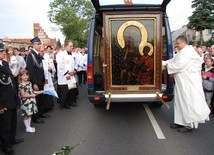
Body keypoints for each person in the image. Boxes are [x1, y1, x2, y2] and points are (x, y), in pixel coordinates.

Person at [163, 35, 210, 133]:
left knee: (187, 102)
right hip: (181, 83)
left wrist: (167, 66)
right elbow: (173, 61)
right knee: (179, 102)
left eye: (177, 43)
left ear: (183, 43)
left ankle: (188, 125)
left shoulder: (189, 52)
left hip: (188, 83)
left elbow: (180, 65)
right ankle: (180, 121)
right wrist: (163, 63)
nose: (176, 46)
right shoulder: (182, 52)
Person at [0, 43, 24, 155]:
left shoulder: (4, 63)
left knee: (13, 121)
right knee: (5, 124)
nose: (3, 53)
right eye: (1, 51)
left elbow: (12, 82)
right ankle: (5, 145)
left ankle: (12, 139)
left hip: (12, 97)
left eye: (3, 51)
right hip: (4, 101)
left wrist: (16, 97)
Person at [26, 36, 46, 123]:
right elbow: (31, 71)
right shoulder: (31, 55)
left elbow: (40, 68)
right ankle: (35, 117)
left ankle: (40, 113)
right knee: (36, 100)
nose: (39, 45)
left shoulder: (37, 54)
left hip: (40, 80)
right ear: (33, 44)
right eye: (38, 44)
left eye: (40, 44)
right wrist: (34, 83)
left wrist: (44, 78)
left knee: (41, 98)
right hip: (36, 81)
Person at [18, 69, 43, 133]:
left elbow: (32, 91)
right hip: (25, 102)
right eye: (23, 75)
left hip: (31, 101)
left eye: (26, 75)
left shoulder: (29, 83)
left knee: (30, 113)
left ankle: (29, 126)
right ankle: (27, 127)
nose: (25, 76)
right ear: (20, 76)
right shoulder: (21, 85)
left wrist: (40, 92)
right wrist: (31, 95)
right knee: (25, 114)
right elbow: (23, 95)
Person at [56, 41, 78, 109]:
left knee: (71, 89)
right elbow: (60, 65)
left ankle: (71, 101)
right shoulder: (61, 54)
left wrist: (75, 70)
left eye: (72, 46)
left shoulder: (73, 54)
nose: (72, 47)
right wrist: (68, 72)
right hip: (64, 76)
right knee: (65, 91)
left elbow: (76, 63)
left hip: (72, 75)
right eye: (70, 46)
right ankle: (66, 103)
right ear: (66, 46)